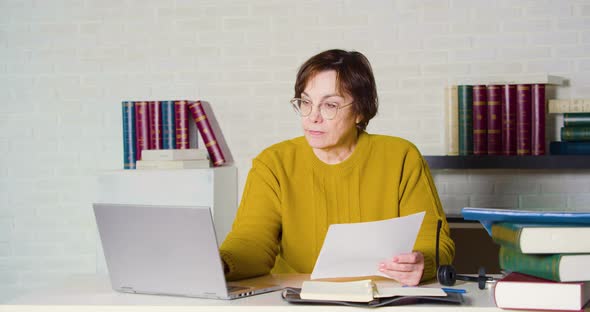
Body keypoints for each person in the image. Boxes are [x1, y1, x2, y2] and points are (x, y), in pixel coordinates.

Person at [219, 49, 455, 286]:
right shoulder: (273, 163)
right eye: (306, 102)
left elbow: (434, 241)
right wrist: (221, 264)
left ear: (360, 111)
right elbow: (251, 241)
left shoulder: (401, 157)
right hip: (296, 296)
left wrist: (422, 263)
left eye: (329, 105)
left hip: (382, 295)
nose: (313, 117)